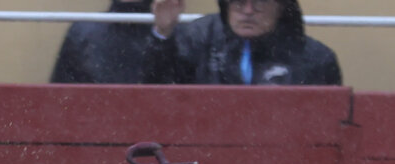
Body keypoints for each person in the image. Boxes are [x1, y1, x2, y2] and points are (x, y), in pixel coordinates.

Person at [145, 0, 342, 86]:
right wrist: (163, 34)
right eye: (238, 1)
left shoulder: (316, 58)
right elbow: (157, 92)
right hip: (202, 153)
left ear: (282, 6)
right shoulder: (197, 37)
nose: (248, 10)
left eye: (260, 1)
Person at [50, 1, 156, 84]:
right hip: (91, 109)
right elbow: (59, 95)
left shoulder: (168, 33)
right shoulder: (84, 31)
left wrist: (163, 37)